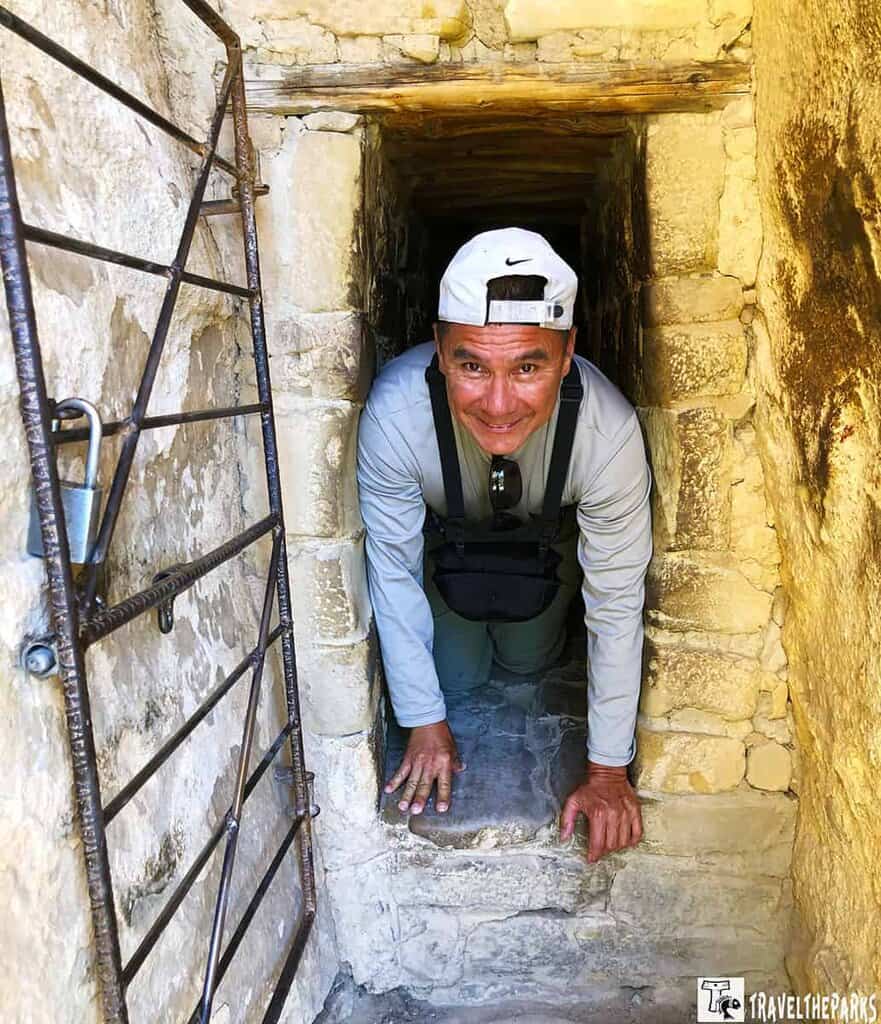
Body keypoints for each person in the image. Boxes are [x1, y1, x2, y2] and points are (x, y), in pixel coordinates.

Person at [356, 227, 653, 863]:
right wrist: (424, 721)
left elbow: (617, 601)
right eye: (471, 365)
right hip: (450, 567)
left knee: (526, 662)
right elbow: (394, 571)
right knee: (457, 678)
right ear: (437, 349)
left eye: (527, 366)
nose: (497, 404)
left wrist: (607, 770)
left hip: (541, 566)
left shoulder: (608, 433)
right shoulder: (396, 414)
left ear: (568, 352)